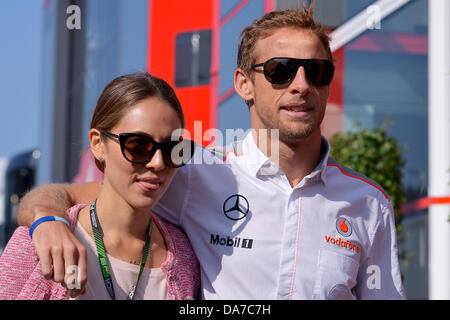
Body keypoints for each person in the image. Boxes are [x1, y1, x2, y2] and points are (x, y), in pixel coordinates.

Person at [15, 6, 405, 299]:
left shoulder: (369, 205)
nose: (301, 85)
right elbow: (61, 196)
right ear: (244, 84)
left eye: (316, 71)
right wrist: (45, 222)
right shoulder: (194, 172)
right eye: (281, 70)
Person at [0, 73, 200, 300]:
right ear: (98, 145)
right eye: (138, 145)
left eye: (172, 149)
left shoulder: (185, 258)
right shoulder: (38, 242)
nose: (158, 162)